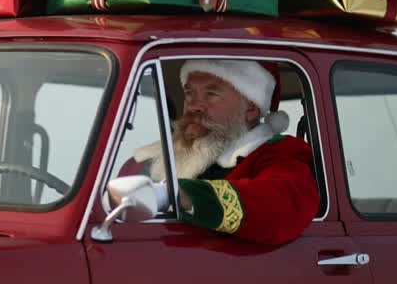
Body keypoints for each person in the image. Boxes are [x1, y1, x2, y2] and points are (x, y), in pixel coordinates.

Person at [126, 60, 319, 246]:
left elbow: (283, 205)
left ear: (251, 108)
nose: (193, 106)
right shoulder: (144, 161)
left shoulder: (278, 153)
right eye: (189, 93)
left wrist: (182, 196)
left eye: (211, 94)